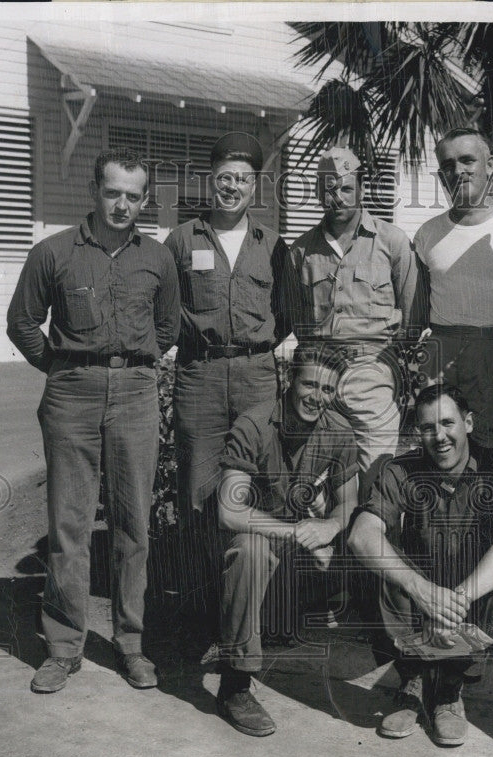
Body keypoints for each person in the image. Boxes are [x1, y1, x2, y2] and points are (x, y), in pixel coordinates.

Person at [6, 148, 180, 693]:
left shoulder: (158, 259)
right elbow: (23, 322)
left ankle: (130, 644)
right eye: (112, 192)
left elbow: (167, 330)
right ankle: (62, 647)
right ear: (94, 191)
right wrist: (60, 368)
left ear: (145, 200)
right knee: (68, 524)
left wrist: (131, 370)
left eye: (133, 195)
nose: (122, 204)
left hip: (135, 393)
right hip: (71, 394)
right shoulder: (52, 253)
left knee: (133, 526)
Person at [348, 384, 493, 747]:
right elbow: (361, 535)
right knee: (381, 570)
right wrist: (423, 590)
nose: (439, 436)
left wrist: (456, 599)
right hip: (421, 590)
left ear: (469, 423)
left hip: (469, 589)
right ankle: (412, 680)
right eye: (428, 427)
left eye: (448, 423)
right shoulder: (401, 470)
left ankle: (449, 687)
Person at [164, 132, 291, 642]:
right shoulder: (181, 240)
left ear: (255, 186)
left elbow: (284, 315)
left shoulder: (272, 246)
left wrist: (253, 349)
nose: (231, 188)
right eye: (223, 178)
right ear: (208, 180)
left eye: (242, 179)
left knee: (257, 484)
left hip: (257, 375)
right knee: (198, 488)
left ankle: (253, 610)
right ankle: (202, 609)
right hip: (200, 375)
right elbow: (166, 308)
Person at [215, 342, 359, 736]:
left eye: (328, 390)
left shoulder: (338, 430)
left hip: (295, 547)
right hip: (253, 539)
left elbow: (349, 502)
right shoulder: (255, 424)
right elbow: (229, 510)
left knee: (350, 551)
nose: (317, 398)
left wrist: (329, 527)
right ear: (288, 378)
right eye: (310, 385)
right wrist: (296, 532)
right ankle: (235, 683)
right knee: (251, 550)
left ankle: (279, 618)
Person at [286, 146, 423, 496]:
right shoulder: (301, 251)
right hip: (318, 372)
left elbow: (413, 312)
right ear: (318, 193)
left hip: (371, 370)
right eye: (329, 188)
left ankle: (374, 540)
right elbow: (296, 318)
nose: (338, 197)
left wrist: (389, 363)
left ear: (361, 189)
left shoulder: (391, 242)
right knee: (312, 476)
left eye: (346, 188)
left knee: (377, 474)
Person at [413, 128, 493, 492]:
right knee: (442, 453)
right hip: (443, 354)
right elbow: (418, 310)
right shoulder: (427, 234)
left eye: (468, 160)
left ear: (491, 165)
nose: (459, 171)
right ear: (441, 175)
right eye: (448, 165)